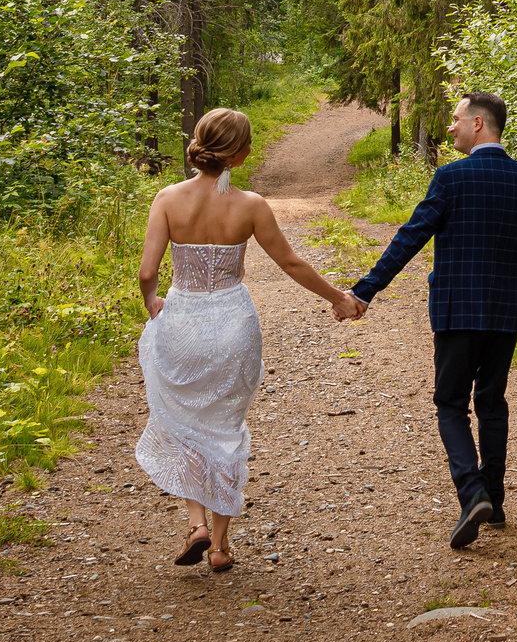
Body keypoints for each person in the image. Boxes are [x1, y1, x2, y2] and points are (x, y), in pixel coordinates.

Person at [135, 107, 360, 573]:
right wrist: (338, 297)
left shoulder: (168, 199)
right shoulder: (251, 205)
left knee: (185, 420)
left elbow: (147, 271)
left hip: (183, 320)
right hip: (233, 323)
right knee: (226, 426)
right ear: (238, 154)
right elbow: (291, 263)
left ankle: (195, 522)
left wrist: (153, 301)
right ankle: (219, 546)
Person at [338, 89, 517, 549]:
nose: (451, 127)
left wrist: (365, 290)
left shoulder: (451, 177)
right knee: (491, 401)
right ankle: (494, 499)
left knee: (451, 403)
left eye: (456, 119)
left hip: (457, 310)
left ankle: (473, 492)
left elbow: (411, 237)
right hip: (507, 312)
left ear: (478, 124)